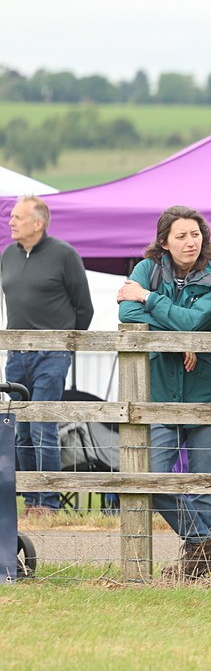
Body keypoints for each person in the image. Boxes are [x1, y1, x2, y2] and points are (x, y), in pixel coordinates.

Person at [116, 205, 211, 579]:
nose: (190, 242)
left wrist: (150, 300)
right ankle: (202, 544)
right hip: (159, 394)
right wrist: (178, 340)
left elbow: (196, 320)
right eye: (181, 236)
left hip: (209, 394)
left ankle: (196, 562)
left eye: (195, 234)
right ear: (164, 241)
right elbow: (126, 316)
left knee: (205, 486)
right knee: (149, 477)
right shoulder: (146, 270)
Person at [2, 195, 93, 513]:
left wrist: (64, 347)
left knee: (42, 424)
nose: (10, 222)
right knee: (21, 427)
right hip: (16, 355)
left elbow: (84, 308)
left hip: (51, 354)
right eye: (11, 216)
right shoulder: (7, 256)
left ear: (38, 223)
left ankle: (49, 501)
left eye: (17, 217)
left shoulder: (64, 255)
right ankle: (32, 499)